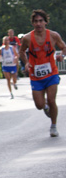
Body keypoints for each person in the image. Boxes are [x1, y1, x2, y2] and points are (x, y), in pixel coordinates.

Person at [19, 10, 65, 138]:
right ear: (33, 23)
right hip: (36, 76)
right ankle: (44, 106)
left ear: (45, 22)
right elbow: (21, 52)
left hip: (51, 74)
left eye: (41, 21)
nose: (39, 24)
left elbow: (64, 47)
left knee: (52, 100)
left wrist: (62, 55)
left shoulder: (53, 35)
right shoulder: (27, 38)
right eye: (36, 21)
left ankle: (54, 125)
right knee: (39, 105)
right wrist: (26, 63)